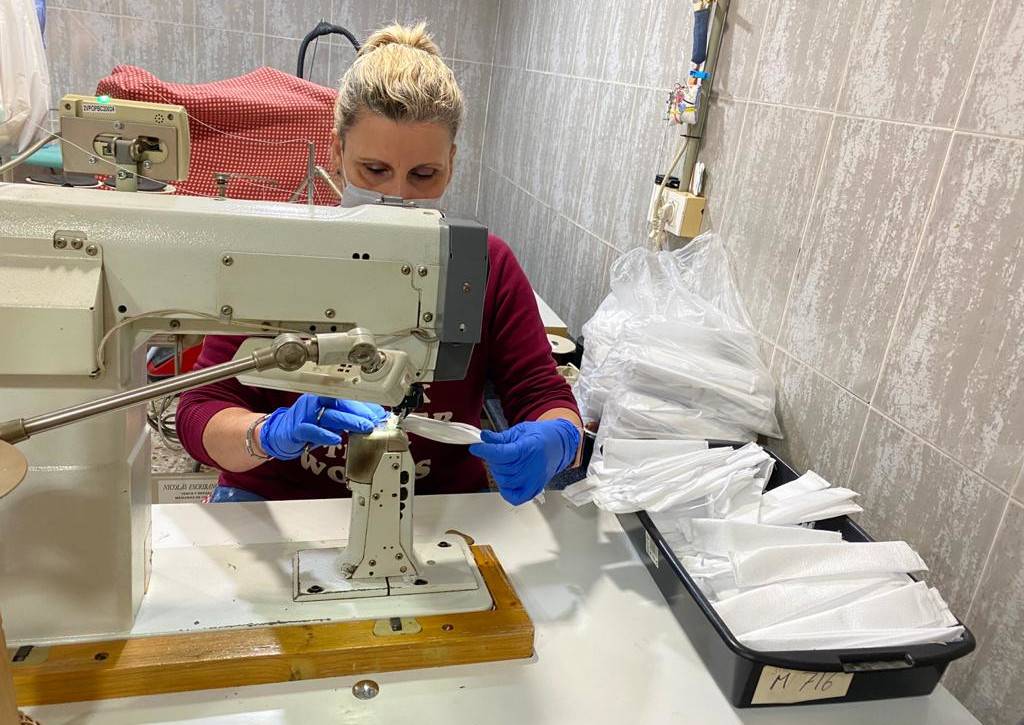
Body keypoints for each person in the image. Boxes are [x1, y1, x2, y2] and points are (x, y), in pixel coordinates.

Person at [176, 23, 582, 506]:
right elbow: (201, 408)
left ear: (451, 163)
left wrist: (559, 439)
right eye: (374, 170)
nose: (398, 195)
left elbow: (542, 395)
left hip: (432, 503)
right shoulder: (275, 257)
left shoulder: (486, 266)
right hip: (283, 498)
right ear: (337, 151)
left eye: (424, 174)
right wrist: (263, 435)